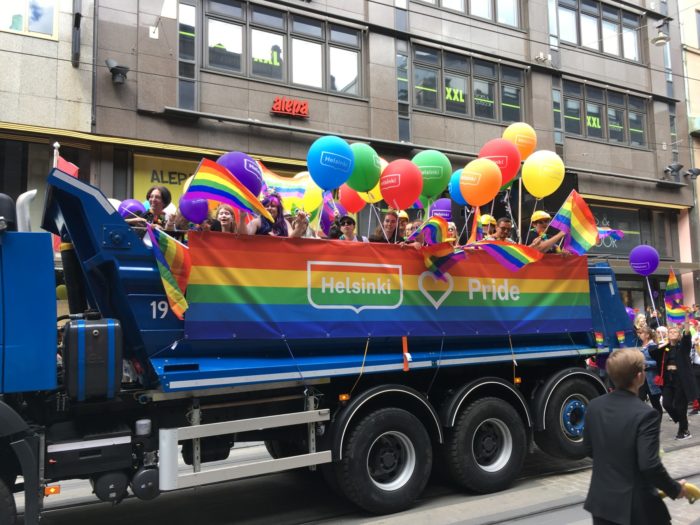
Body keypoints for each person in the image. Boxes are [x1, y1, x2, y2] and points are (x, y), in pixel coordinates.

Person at [583, 348, 687, 525]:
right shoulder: (646, 414)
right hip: (636, 508)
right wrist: (675, 489)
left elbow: (589, 449)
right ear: (639, 376)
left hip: (602, 504)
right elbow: (649, 465)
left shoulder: (594, 406)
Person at [661, 317, 698, 439]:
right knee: (666, 403)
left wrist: (686, 321)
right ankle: (682, 419)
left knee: (680, 406)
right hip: (668, 380)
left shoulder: (683, 347)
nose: (672, 333)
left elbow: (687, 336)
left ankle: (684, 431)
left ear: (679, 335)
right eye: (670, 332)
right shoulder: (665, 348)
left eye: (675, 332)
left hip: (680, 380)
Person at [636, 326, 662, 417]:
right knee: (639, 399)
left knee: (655, 403)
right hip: (642, 378)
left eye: (641, 333)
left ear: (647, 335)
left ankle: (657, 423)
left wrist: (644, 362)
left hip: (652, 378)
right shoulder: (639, 346)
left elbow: (658, 362)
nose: (639, 335)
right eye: (639, 333)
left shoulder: (653, 347)